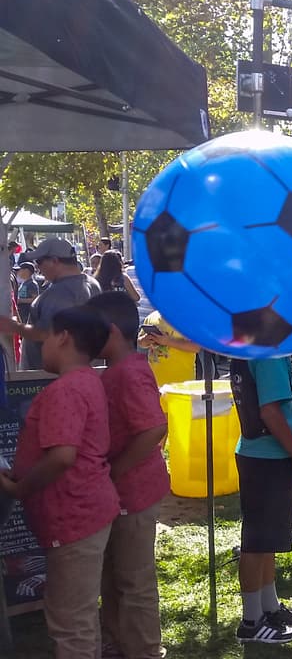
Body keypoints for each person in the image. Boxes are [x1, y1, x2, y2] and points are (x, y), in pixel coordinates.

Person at [0, 308, 116, 657]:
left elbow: (62, 455)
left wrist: (20, 488)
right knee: (78, 616)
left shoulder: (64, 389)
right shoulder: (87, 380)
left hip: (74, 515)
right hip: (83, 513)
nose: (43, 345)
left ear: (63, 337)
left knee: (69, 623)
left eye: (47, 337)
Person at [85, 292, 169, 659]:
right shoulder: (117, 371)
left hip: (133, 492)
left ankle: (146, 649)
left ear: (113, 332)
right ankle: (121, 642)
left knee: (134, 580)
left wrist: (114, 471)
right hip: (117, 493)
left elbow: (153, 430)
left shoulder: (130, 372)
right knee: (115, 575)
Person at [230, 354, 292, 643]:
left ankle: (270, 608)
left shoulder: (259, 350)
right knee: (255, 544)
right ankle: (251, 622)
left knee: (267, 541)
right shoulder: (269, 355)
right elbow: (270, 412)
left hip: (261, 455)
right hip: (266, 457)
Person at [2, 238, 102, 370]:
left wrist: (14, 327)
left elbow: (47, 334)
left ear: (55, 261)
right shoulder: (92, 283)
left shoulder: (60, 293)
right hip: (83, 371)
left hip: (47, 376)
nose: (37, 267)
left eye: (39, 262)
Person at [138, 311, 202, 388]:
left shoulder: (187, 319)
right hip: (154, 382)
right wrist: (144, 340)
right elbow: (140, 342)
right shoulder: (151, 317)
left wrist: (168, 341)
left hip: (181, 382)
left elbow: (196, 347)